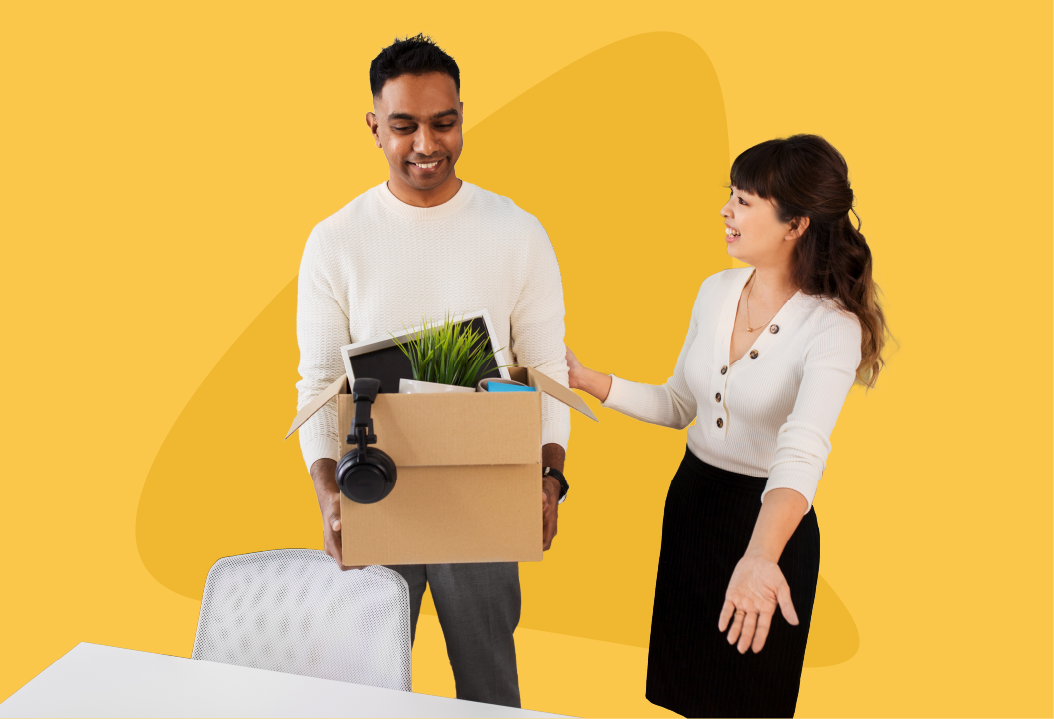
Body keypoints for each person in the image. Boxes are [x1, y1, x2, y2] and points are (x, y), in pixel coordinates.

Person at [565, 135, 887, 718]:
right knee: (683, 693)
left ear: (795, 224)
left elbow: (802, 451)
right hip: (692, 508)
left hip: (768, 530)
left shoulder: (832, 329)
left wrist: (761, 556)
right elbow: (679, 404)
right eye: (730, 197)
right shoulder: (714, 292)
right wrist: (590, 380)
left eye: (743, 201)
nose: (725, 211)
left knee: (745, 701)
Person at [294, 35, 570, 709]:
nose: (426, 143)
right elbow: (317, 382)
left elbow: (545, 370)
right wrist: (329, 492)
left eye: (443, 123)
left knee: (488, 691)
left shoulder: (516, 231)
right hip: (373, 487)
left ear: (462, 116)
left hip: (484, 495)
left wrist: (550, 476)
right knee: (366, 692)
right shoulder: (336, 240)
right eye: (403, 125)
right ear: (373, 127)